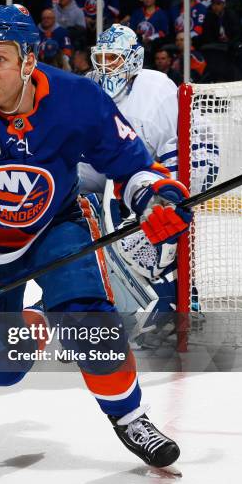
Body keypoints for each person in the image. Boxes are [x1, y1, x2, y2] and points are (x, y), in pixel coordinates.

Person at [0, 4, 192, 469]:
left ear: (29, 59)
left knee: (88, 320)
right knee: (2, 372)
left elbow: (131, 165)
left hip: (54, 224)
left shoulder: (77, 100)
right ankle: (37, 322)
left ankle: (131, 415)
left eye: (0, 59)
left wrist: (155, 201)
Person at [79, 24, 180, 342]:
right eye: (102, 58)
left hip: (153, 185)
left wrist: (167, 194)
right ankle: (85, 299)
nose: (105, 66)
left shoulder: (157, 89)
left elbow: (181, 152)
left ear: (134, 59)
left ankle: (168, 299)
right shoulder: (87, 88)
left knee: (159, 221)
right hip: (107, 187)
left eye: (114, 58)